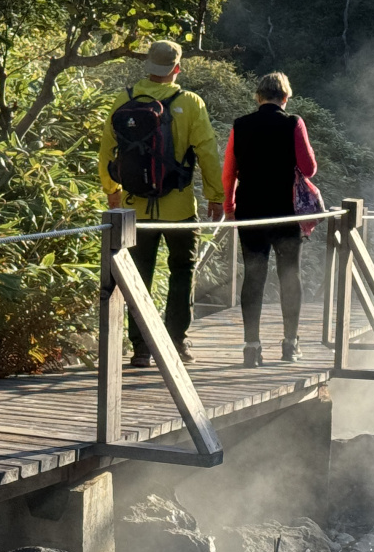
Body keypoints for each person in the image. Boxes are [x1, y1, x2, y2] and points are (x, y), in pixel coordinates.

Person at [99, 40, 223, 367]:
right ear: (177, 68)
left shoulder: (124, 100)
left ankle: (140, 348)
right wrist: (216, 196)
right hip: (180, 207)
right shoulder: (190, 103)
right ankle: (177, 343)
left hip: (135, 207)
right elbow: (208, 152)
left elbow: (106, 150)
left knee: (138, 275)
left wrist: (112, 190)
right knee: (182, 270)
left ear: (148, 66)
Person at [221, 71, 317, 367]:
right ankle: (290, 345)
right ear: (285, 97)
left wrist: (229, 205)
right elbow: (309, 168)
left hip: (251, 210)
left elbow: (229, 171)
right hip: (285, 210)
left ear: (258, 97)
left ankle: (251, 348)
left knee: (254, 275)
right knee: (290, 274)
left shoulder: (240, 125)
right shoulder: (293, 123)